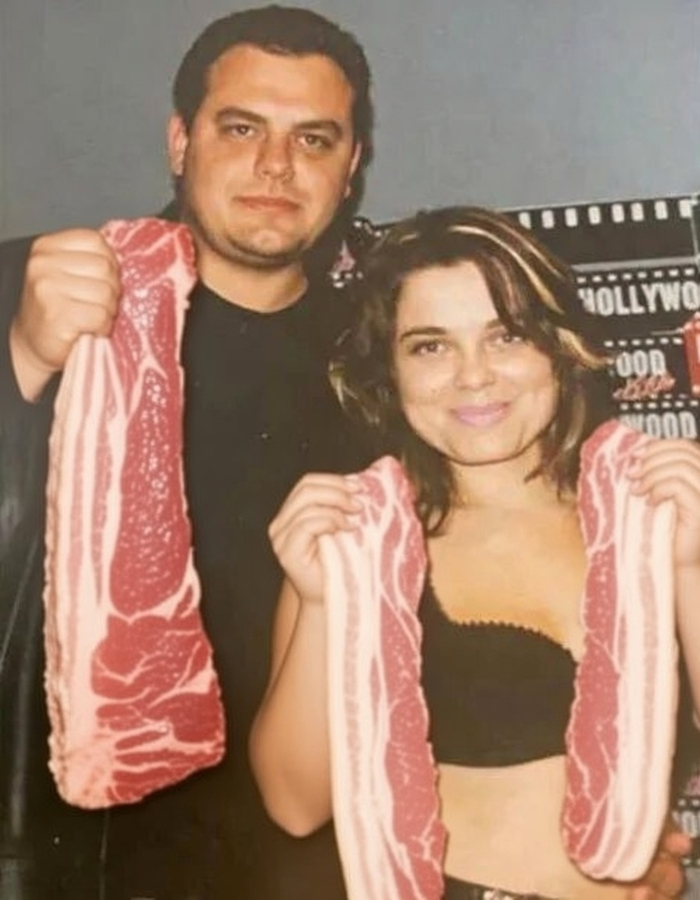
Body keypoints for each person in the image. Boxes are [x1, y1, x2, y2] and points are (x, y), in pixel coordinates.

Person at [0, 7, 374, 899]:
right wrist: (21, 359)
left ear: (352, 165)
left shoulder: (384, 353)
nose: (276, 165)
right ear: (180, 141)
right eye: (240, 128)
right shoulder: (35, 283)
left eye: (313, 139)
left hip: (318, 851)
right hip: (77, 851)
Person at [250, 205, 699, 900]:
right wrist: (316, 603)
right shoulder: (361, 542)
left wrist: (690, 568)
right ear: (390, 371)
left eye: (506, 336)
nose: (474, 375)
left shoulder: (654, 510)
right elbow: (294, 803)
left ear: (559, 348)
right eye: (430, 347)